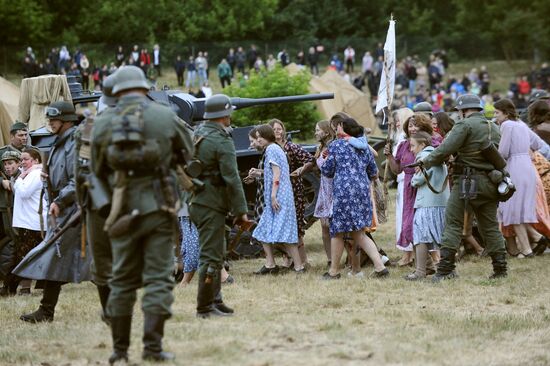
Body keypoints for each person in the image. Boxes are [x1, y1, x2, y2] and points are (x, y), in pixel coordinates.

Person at [91, 65, 193, 363]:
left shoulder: (103, 121)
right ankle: (152, 348)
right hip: (159, 206)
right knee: (159, 278)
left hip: (121, 210)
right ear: (144, 86)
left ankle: (119, 352)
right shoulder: (165, 115)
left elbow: (96, 170)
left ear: (115, 90)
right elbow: (187, 154)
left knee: (121, 278)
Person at [15, 101, 92, 322]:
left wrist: (60, 200)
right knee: (60, 259)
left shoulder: (76, 141)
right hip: (64, 207)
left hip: (74, 208)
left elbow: (79, 178)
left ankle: (112, 307)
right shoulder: (60, 142)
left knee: (65, 258)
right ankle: (46, 311)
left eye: (54, 119)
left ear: (67, 120)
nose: (50, 123)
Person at [419, 94, 507, 281]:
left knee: (453, 224)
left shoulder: (464, 125)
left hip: (466, 182)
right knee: (490, 226)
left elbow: (444, 150)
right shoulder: (494, 127)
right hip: (490, 182)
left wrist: (425, 161)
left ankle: (445, 270)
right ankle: (500, 269)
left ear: (463, 110)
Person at [188, 94, 249, 318]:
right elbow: (232, 178)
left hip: (199, 200)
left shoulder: (199, 134)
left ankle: (216, 300)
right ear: (223, 115)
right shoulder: (220, 140)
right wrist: (241, 210)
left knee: (216, 253)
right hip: (211, 203)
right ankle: (205, 307)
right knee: (211, 257)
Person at [75, 74, 118, 325]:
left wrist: (83, 202)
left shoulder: (89, 127)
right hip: (133, 200)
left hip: (98, 203)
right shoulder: (138, 123)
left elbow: (79, 170)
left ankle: (109, 309)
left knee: (102, 258)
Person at [321, 117, 388, 279]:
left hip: (344, 193)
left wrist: (325, 158)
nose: (336, 130)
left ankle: (334, 271)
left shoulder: (336, 145)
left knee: (337, 232)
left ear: (344, 128)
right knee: (359, 232)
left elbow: (327, 170)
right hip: (362, 192)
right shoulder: (364, 146)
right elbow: (374, 172)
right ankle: (380, 267)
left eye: (338, 127)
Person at [385, 114, 439, 266]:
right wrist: (389, 156)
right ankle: (421, 262)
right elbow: (397, 170)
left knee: (425, 223)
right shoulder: (403, 145)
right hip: (408, 188)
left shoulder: (432, 143)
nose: (413, 128)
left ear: (424, 127)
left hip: (425, 187)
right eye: (410, 125)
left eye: (416, 125)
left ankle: (436, 259)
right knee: (410, 225)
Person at [252, 124, 305, 274]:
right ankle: (271, 264)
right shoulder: (272, 149)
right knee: (263, 229)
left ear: (266, 136)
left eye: (259, 137)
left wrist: (274, 195)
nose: (257, 140)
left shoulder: (272, 150)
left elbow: (277, 174)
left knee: (285, 234)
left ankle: (299, 267)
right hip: (278, 196)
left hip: (280, 197)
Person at [494, 98, 542, 258]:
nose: (495, 116)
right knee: (520, 209)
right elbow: (538, 143)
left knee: (513, 208)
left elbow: (503, 152)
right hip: (527, 166)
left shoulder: (506, 125)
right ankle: (533, 241)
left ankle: (527, 249)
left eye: (497, 113)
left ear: (506, 113)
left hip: (514, 166)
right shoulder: (521, 124)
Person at [269, 119, 314, 267]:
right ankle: (287, 259)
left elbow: (309, 159)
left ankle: (303, 260)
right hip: (278, 192)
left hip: (294, 190)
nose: (277, 131)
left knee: (296, 226)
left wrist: (301, 170)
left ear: (283, 130)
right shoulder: (270, 149)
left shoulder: (291, 147)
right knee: (282, 226)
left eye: (279, 128)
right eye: (274, 129)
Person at [406, 132, 449, 280]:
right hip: (442, 202)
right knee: (442, 237)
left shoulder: (423, 157)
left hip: (427, 203)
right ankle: (448, 268)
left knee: (420, 236)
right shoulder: (439, 155)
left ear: (422, 145)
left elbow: (417, 181)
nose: (411, 149)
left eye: (412, 145)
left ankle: (420, 271)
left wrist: (412, 178)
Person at [9, 148, 46, 293]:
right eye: (21, 159)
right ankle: (24, 288)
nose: (22, 162)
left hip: (32, 223)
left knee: (22, 257)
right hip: (28, 221)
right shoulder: (29, 174)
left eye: (26, 159)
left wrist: (17, 178)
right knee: (28, 256)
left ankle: (9, 287)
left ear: (36, 161)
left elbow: (24, 193)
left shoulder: (35, 174)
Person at [0, 151, 22, 296]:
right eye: (5, 164)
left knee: (15, 250)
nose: (7, 167)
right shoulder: (4, 177)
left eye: (11, 163)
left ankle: (10, 285)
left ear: (18, 163)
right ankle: (7, 285)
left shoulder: (23, 176)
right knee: (9, 250)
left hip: (18, 217)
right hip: (5, 215)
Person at [313, 120, 335, 266]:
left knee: (335, 227)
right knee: (324, 227)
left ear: (326, 132)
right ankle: (330, 258)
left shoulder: (333, 147)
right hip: (324, 189)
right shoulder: (320, 148)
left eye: (318, 130)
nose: (315, 133)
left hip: (333, 188)